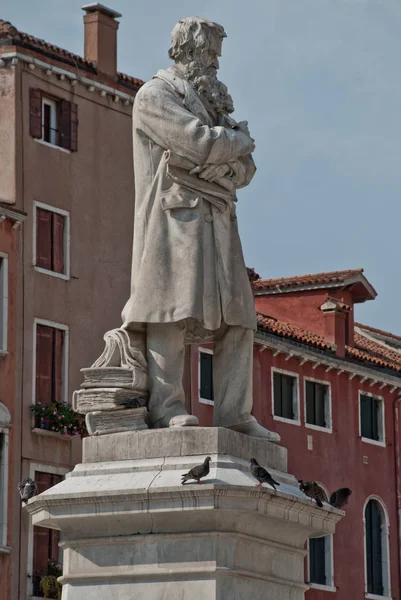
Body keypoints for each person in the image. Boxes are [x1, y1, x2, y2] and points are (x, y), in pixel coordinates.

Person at [121, 17, 273, 438]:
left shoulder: (211, 105)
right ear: (186, 52)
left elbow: (246, 170)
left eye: (217, 57)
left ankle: (235, 414)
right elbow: (200, 143)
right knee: (170, 312)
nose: (215, 64)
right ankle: (167, 408)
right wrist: (234, 142)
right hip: (174, 222)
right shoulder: (154, 97)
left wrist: (219, 158)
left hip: (219, 221)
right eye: (209, 55)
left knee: (240, 317)